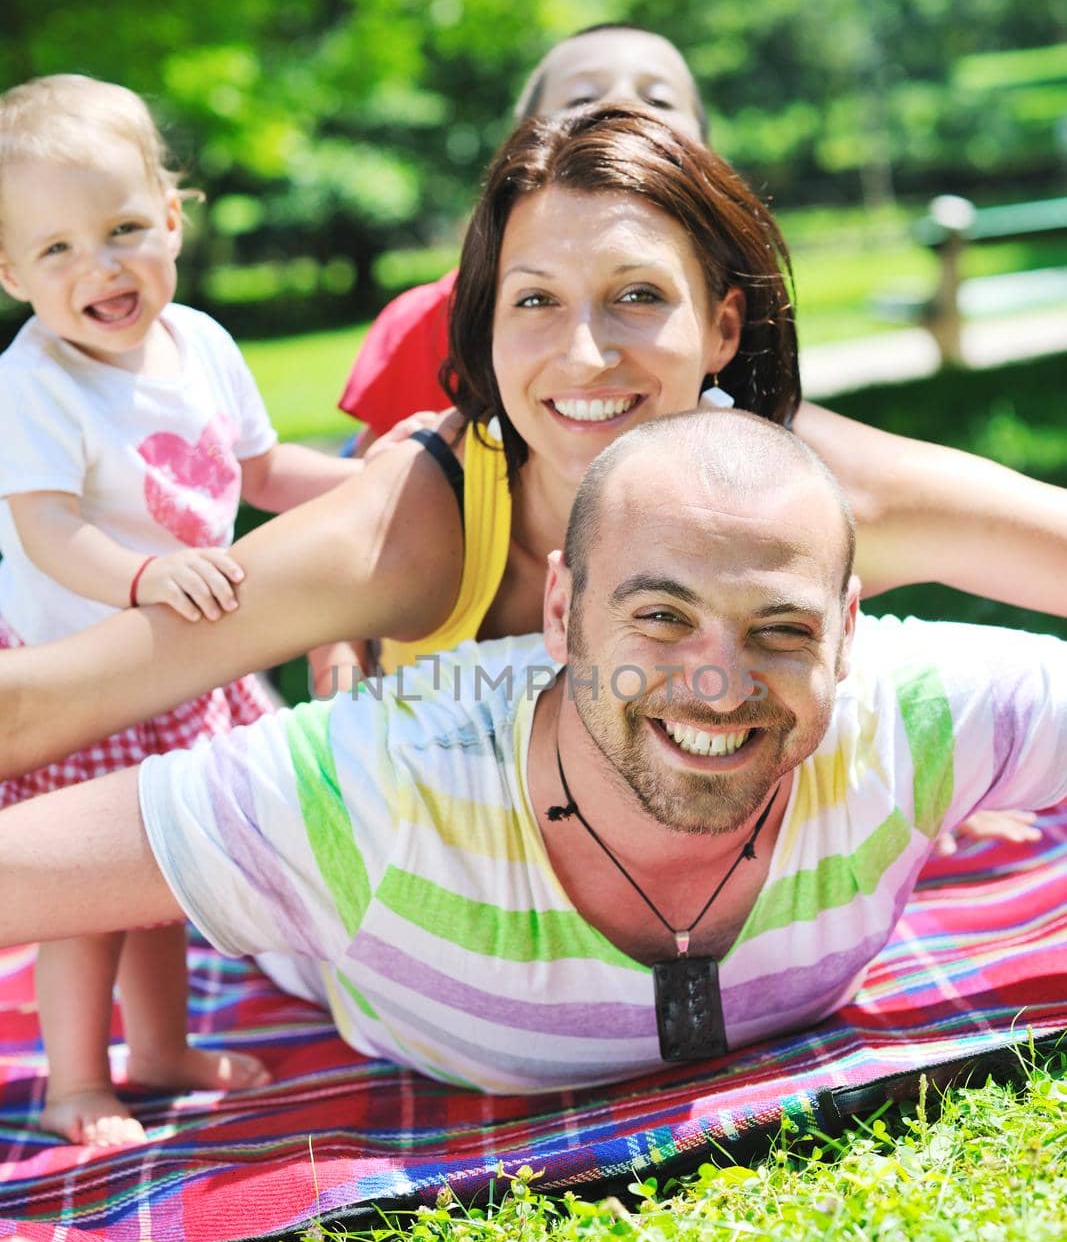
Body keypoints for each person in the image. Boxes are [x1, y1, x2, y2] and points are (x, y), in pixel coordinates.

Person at [0, 105, 1064, 793]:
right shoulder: (420, 523)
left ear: (723, 328)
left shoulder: (819, 494)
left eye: (636, 297)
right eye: (535, 301)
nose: (584, 355)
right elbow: (45, 706)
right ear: (486, 324)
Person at [0, 413, 1063, 1094]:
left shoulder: (908, 714)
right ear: (560, 608)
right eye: (658, 615)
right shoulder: (376, 784)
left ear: (844, 626)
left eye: (778, 629)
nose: (716, 680)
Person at [0, 74, 356, 1145]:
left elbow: (259, 470)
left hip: (181, 665)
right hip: (86, 673)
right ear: (11, 272)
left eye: (119, 228)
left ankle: (157, 1046)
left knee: (156, 864)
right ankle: (74, 1082)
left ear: (171, 217)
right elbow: (47, 530)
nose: (97, 266)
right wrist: (144, 577)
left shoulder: (198, 343)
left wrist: (394, 481)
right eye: (55, 249)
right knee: (81, 888)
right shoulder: (35, 381)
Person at [335, 24, 707, 449]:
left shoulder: (755, 301)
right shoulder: (429, 321)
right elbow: (368, 478)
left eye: (658, 98)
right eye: (581, 96)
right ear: (530, 144)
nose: (619, 104)